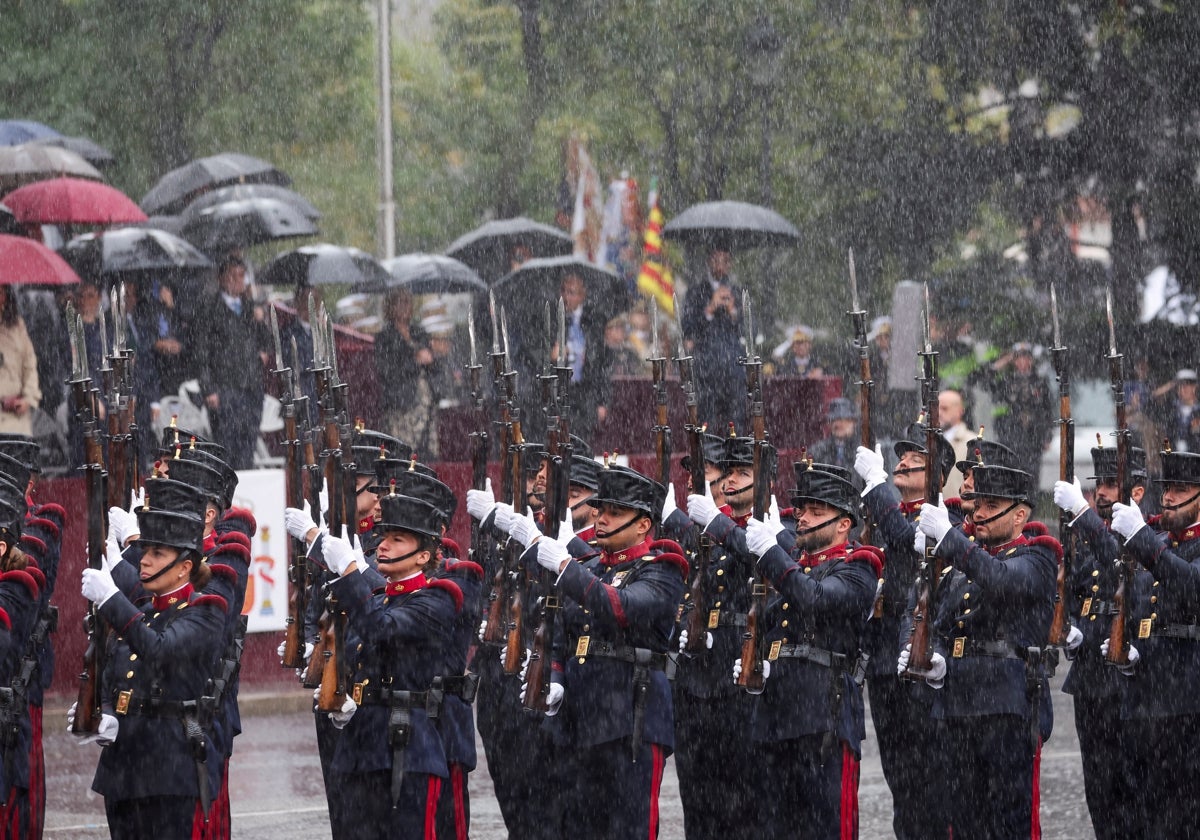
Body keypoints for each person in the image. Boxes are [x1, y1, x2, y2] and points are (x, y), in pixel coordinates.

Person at [525, 463, 687, 840]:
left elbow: (619, 607)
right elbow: (561, 634)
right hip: (582, 718)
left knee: (628, 827)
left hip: (632, 715)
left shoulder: (663, 569)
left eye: (615, 512)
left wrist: (564, 566)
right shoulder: (591, 566)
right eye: (599, 510)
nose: (601, 519)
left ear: (643, 523)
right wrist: (555, 678)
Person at [910, 464, 1058, 838]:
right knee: (963, 822)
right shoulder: (960, 567)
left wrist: (949, 540)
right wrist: (936, 658)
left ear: (1020, 514)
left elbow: (1000, 579)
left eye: (992, 506)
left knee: (1008, 822)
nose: (978, 514)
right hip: (958, 703)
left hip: (1007, 704)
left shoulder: (1037, 556)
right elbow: (941, 622)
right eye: (978, 506)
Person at [739, 465, 883, 836]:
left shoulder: (859, 566)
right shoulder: (797, 568)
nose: (802, 519)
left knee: (827, 825)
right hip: (776, 715)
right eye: (801, 510)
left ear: (843, 524)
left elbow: (816, 600)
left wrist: (772, 553)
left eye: (816, 512)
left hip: (824, 715)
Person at [313, 491, 463, 840]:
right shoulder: (380, 598)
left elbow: (382, 629)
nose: (383, 545)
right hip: (359, 749)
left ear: (423, 555)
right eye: (383, 537)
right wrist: (345, 698)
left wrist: (350, 570)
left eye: (397, 540)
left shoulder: (437, 598)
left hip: (406, 748)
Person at [76, 503, 229, 838]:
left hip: (167, 768)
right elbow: (112, 673)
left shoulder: (204, 611)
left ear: (184, 567)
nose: (143, 561)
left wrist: (111, 599)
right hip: (123, 768)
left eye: (157, 554)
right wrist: (103, 713)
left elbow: (159, 651)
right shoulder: (143, 610)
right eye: (145, 551)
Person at [854, 422, 959, 839]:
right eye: (902, 458)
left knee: (931, 780)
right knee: (900, 780)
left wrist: (877, 484)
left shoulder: (941, 517)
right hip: (884, 662)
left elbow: (907, 540)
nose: (903, 463)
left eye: (916, 461)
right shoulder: (880, 518)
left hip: (921, 657)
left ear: (935, 477)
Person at [1052, 443, 1146, 840]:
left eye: (1111, 484)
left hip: (1129, 685)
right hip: (1091, 681)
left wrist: (1082, 515)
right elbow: (1072, 591)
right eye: (1099, 485)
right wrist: (1071, 628)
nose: (1101, 492)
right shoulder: (1090, 540)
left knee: (1134, 791)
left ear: (1136, 492)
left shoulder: (1147, 533)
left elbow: (1122, 566)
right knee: (1099, 791)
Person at [1105, 447, 1200, 837]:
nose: (1169, 497)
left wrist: (1143, 538)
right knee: (1144, 811)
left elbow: (1191, 585)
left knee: (1185, 814)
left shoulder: (1155, 545)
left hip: (1188, 699)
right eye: (1167, 489)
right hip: (1143, 699)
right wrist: (1124, 645)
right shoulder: (1157, 541)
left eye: (1180, 489)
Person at [195, 256, 271, 470]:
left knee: (247, 446)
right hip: (224, 388)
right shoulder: (210, 309)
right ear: (222, 278)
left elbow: (266, 341)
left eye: (241, 275)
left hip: (250, 388)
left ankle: (245, 495)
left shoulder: (250, 308)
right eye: (233, 276)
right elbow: (201, 353)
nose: (239, 281)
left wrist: (260, 326)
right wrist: (209, 388)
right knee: (227, 448)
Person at [681, 246, 747, 431]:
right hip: (706, 368)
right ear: (709, 262)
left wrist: (733, 311)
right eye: (717, 260)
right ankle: (708, 457)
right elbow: (687, 327)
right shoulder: (696, 291)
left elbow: (749, 329)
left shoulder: (737, 291)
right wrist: (709, 309)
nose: (721, 265)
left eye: (725, 260)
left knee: (735, 422)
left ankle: (734, 456)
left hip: (733, 368)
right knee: (706, 421)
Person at [375, 289, 435, 455]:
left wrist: (430, 359)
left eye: (407, 302)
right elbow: (387, 370)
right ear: (391, 306)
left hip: (425, 401)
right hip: (400, 402)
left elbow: (433, 364)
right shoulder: (385, 337)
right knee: (402, 451)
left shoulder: (419, 332)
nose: (405, 307)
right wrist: (415, 362)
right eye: (400, 302)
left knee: (424, 452)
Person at [984, 343, 1054, 480]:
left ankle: (1030, 500)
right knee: (1011, 474)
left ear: (1031, 360)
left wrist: (1047, 436)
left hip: (1033, 435)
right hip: (1010, 433)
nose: (1022, 362)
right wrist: (1003, 361)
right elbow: (985, 380)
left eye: (1026, 358)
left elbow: (1047, 409)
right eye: (1018, 358)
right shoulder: (1006, 380)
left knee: (1031, 475)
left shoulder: (1039, 381)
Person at [558, 273, 611, 441]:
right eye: (564, 291)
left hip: (586, 389)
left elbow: (602, 363)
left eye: (572, 292)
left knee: (584, 440)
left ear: (583, 295)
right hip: (563, 389)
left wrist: (602, 400)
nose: (567, 297)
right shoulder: (554, 318)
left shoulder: (594, 319)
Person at [0, 286, 40, 438]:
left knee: (17, 458)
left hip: (16, 417)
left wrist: (28, 398)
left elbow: (30, 365)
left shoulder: (17, 326)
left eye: (0, 292)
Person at [1150, 368, 1200, 452]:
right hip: (1171, 453)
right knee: (1159, 433)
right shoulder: (1170, 407)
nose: (1183, 389)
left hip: (1195, 456)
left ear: (1194, 387)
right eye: (1179, 386)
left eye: (1186, 385)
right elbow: (1150, 404)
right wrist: (1169, 386)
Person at [938, 389, 974, 498]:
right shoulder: (927, 441)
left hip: (959, 511)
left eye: (944, 408)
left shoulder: (972, 443)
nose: (939, 413)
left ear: (960, 411)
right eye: (936, 408)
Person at [809, 397, 859, 475]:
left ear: (854, 423)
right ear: (829, 423)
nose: (839, 424)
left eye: (845, 420)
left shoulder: (864, 451)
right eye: (834, 420)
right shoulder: (817, 451)